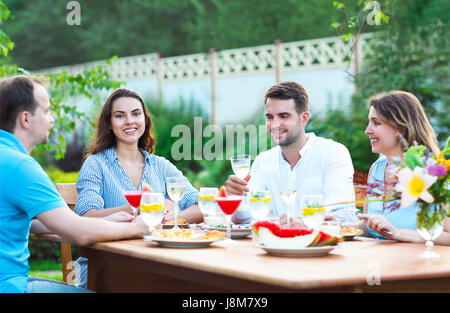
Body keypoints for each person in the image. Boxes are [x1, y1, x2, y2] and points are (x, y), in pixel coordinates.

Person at [0, 76, 149, 293]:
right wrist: (137, 227)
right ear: (26, 119)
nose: (51, 119)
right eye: (47, 111)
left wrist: (106, 221)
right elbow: (79, 234)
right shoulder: (20, 166)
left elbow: (24, 222)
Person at [74, 88, 203, 288]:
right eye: (120, 116)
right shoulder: (95, 164)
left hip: (156, 262)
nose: (130, 121)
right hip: (105, 265)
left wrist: (163, 219)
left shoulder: (161, 165)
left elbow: (199, 205)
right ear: (109, 123)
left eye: (136, 113)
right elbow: (86, 217)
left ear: (145, 120)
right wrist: (135, 210)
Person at [226, 81, 358, 226]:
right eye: (270, 117)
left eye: (284, 116)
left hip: (330, 246)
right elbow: (246, 218)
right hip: (277, 246)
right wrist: (236, 199)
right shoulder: (263, 160)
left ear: (304, 119)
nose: (275, 124)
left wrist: (304, 222)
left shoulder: (333, 153)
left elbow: (338, 211)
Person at [358, 90, 450, 243]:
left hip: (419, 263)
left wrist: (398, 233)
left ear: (400, 127)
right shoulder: (377, 169)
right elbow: (370, 226)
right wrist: (336, 229)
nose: (367, 130)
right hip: (379, 262)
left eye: (376, 123)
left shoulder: (431, 171)